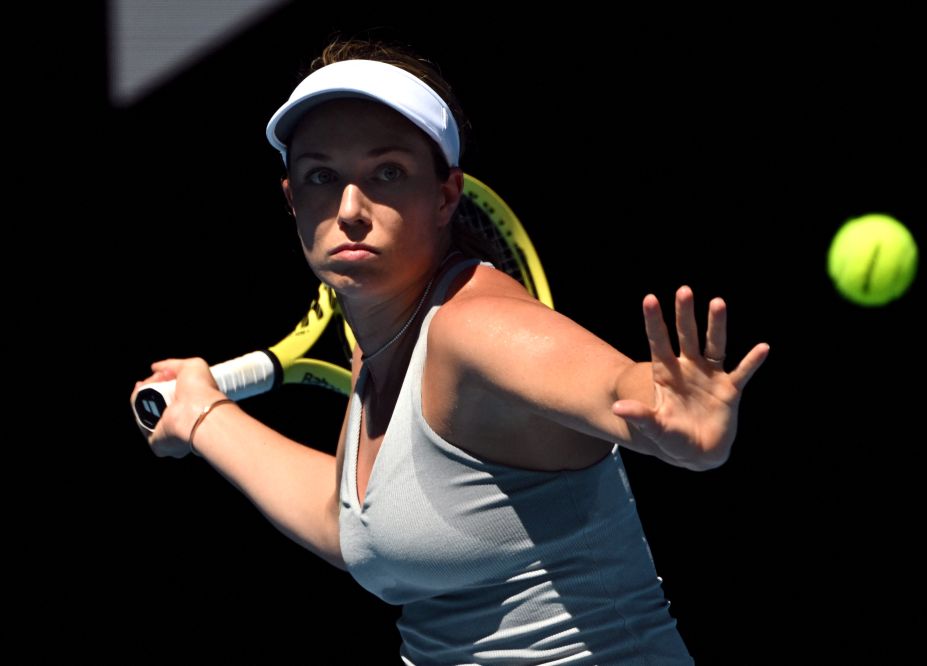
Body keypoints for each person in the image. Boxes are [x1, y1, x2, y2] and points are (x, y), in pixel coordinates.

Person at [131, 36, 769, 664]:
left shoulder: (475, 327)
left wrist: (671, 414)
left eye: (387, 173)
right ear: (292, 199)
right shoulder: (379, 346)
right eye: (322, 176)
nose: (350, 208)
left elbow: (616, 388)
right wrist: (202, 414)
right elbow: (347, 525)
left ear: (445, 196)